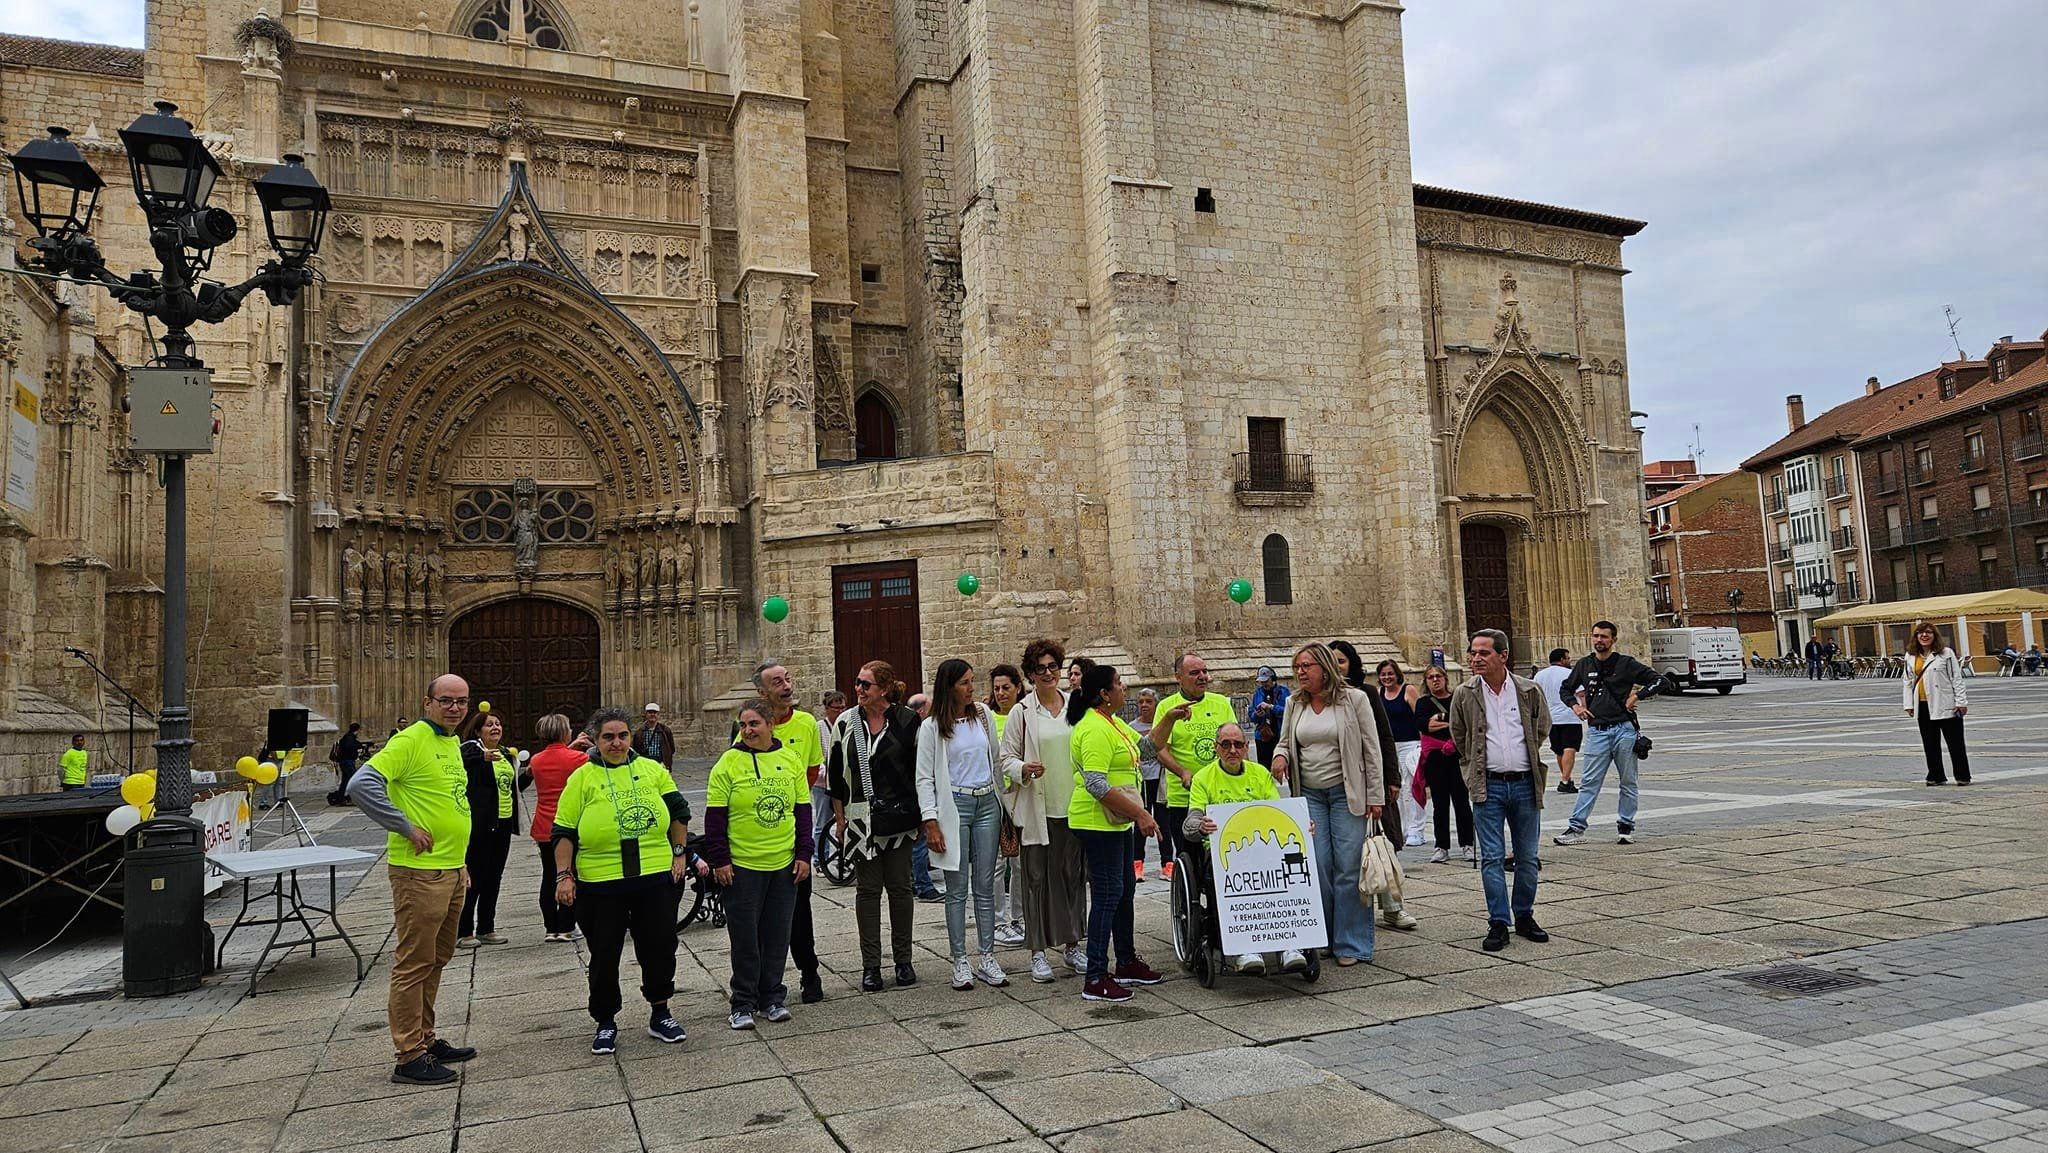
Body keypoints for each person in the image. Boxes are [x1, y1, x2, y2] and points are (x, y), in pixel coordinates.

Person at [348, 674, 478, 1086]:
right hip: (419, 873)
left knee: (437, 959)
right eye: (446, 700)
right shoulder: (411, 739)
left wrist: (461, 864)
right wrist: (404, 826)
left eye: (462, 701)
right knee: (413, 963)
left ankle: (425, 1037)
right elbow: (361, 783)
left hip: (450, 869)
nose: (455, 707)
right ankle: (408, 1055)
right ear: (428, 703)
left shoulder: (450, 742)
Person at [551, 707, 691, 1053]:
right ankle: (605, 1020)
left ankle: (661, 1012)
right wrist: (564, 875)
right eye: (608, 737)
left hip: (653, 876)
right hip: (601, 881)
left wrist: (679, 852)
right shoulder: (581, 778)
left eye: (623, 735)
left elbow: (679, 813)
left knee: (659, 945)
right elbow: (564, 831)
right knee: (604, 952)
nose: (616, 743)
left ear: (632, 737)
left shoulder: (652, 770)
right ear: (595, 741)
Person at [1272, 644, 1386, 966]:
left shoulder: (1355, 700)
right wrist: (1280, 755)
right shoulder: (1294, 703)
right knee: (1318, 866)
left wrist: (1375, 796)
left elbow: (1371, 748)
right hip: (1309, 794)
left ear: (1324, 668)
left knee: (1348, 868)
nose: (1301, 672)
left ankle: (1350, 943)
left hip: (1345, 793)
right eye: (1297, 667)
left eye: (1306, 666)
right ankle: (1322, 935)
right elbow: (1284, 741)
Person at [700, 699, 812, 1030]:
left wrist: (804, 854)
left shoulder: (789, 760)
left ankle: (772, 998)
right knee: (745, 938)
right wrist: (720, 860)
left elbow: (803, 812)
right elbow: (714, 819)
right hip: (743, 866)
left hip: (783, 864)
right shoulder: (727, 764)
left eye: (754, 724)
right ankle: (743, 1003)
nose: (748, 730)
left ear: (770, 725)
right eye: (743, 725)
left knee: (778, 934)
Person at [1065, 664, 1164, 1001]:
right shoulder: (1093, 728)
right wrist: (1141, 813)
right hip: (1097, 821)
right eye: (1119, 684)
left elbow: (1148, 749)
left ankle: (1126, 961)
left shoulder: (1113, 722)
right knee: (1108, 895)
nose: (1125, 689)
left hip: (1117, 820)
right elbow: (1095, 783)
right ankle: (1095, 975)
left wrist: (1170, 719)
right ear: (1104, 694)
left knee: (1124, 892)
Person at [1450, 629, 1552, 953]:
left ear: (1503, 656)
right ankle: (1498, 921)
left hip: (1524, 782)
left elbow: (1542, 726)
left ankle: (1524, 914)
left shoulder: (1528, 690)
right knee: (1492, 857)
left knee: (1527, 856)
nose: (1476, 659)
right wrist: (1471, 769)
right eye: (1473, 653)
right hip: (1488, 785)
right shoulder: (1464, 693)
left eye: (1483, 653)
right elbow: (1458, 733)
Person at [827, 660, 922, 990]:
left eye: (865, 684)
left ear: (884, 688)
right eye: (857, 683)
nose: (858, 689)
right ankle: (871, 966)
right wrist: (839, 820)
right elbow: (837, 777)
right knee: (867, 892)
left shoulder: (908, 721)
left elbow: (918, 772)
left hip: (900, 819)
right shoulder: (845, 723)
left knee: (900, 888)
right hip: (859, 818)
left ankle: (904, 961)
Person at [999, 637, 1090, 983]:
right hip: (1037, 808)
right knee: (1035, 880)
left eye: (1054, 666)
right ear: (1031, 674)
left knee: (1072, 879)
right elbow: (1004, 759)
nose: (1049, 673)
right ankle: (1037, 951)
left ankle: (1072, 945)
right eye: (1041, 669)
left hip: (1075, 808)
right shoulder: (1021, 713)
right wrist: (1023, 768)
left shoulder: (1075, 707)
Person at [1184, 723, 1305, 975]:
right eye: (1225, 744)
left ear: (1246, 747)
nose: (1232, 750)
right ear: (1216, 748)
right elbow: (1191, 821)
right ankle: (1244, 947)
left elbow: (1277, 813)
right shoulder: (1203, 779)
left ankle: (1288, 943)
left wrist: (1302, 826)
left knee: (1287, 870)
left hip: (1261, 849)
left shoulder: (1259, 774)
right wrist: (1200, 825)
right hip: (1221, 853)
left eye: (1238, 744)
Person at [917, 659, 1009, 990]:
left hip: (987, 803)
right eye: (965, 683)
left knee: (985, 885)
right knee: (957, 888)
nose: (971, 688)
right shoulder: (931, 727)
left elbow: (996, 762)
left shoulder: (982, 715)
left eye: (972, 681)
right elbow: (924, 778)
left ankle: (987, 956)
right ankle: (960, 959)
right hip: (954, 805)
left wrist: (1009, 796)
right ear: (949, 686)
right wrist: (931, 820)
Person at [751, 662, 828, 1004]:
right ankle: (761, 980)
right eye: (777, 682)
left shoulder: (806, 723)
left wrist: (792, 801)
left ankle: (809, 973)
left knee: (800, 909)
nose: (786, 686)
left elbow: (813, 769)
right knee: (758, 912)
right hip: (758, 836)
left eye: (788, 679)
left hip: (796, 832)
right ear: (762, 692)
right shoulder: (750, 725)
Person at [1329, 639, 1418, 932]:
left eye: (1341, 661)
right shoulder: (1318, 695)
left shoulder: (1366, 693)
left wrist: (1391, 778)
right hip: (1334, 783)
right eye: (1331, 661)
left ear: (1352, 664)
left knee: (1378, 843)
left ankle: (1393, 907)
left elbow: (1383, 736)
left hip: (1368, 781)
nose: (1337, 666)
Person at [1554, 621, 1661, 846]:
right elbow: (1565, 688)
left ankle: (1626, 826)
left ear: (1613, 640)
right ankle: (1576, 827)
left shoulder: (1626, 664)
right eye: (1595, 636)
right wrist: (1576, 706)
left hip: (1624, 729)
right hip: (1598, 731)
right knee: (1590, 780)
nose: (1599, 640)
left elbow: (1660, 680)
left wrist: (1636, 697)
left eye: (1603, 637)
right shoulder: (1584, 665)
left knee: (1628, 780)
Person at [1151, 652, 1236, 884]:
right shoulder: (1167, 708)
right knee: (1191, 858)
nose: (1202, 677)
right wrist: (1182, 772)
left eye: (1205, 671)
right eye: (1195, 673)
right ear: (1178, 677)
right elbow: (1159, 749)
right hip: (1184, 798)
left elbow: (1234, 742)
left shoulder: (1221, 703)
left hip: (1222, 794)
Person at [457, 710, 520, 947]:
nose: (495, 727)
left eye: (498, 723)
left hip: (503, 822)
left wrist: (529, 775)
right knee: (475, 876)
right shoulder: (472, 750)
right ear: (477, 730)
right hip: (481, 823)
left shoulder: (503, 754)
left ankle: (486, 927)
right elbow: (462, 757)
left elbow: (508, 787)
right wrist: (481, 757)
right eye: (489, 725)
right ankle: (463, 931)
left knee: (494, 876)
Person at [524, 714, 582, 942]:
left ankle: (551, 927)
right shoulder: (578, 759)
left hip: (543, 825)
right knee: (570, 873)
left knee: (549, 876)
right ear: (564, 732)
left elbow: (551, 761)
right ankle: (567, 925)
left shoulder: (536, 760)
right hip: (567, 824)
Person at [1414, 666, 1472, 863]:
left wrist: (1440, 721)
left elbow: (1463, 723)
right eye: (1430, 677)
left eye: (1438, 676)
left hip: (1456, 756)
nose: (1435, 680)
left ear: (1446, 679)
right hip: (1435, 758)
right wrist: (1449, 723)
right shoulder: (1423, 703)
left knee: (1462, 802)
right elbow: (1424, 725)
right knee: (1440, 804)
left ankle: (1468, 844)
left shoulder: (1457, 698)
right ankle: (1441, 846)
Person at [986, 666, 1027, 946]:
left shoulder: (1025, 715)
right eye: (997, 688)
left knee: (1021, 863)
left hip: (1021, 796)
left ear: (1017, 688)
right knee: (997, 863)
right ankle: (998, 921)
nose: (1001, 694)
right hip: (994, 798)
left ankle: (1020, 917)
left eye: (1006, 688)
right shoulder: (986, 719)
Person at [1904, 620, 1970, 785]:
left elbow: (1956, 678)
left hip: (1945, 703)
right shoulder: (1910, 656)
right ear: (1916, 636)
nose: (1924, 636)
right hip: (1923, 705)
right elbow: (1907, 681)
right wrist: (1909, 704)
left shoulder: (1946, 653)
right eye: (1921, 633)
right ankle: (1936, 775)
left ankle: (1962, 775)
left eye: (1928, 633)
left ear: (1935, 636)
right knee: (1930, 743)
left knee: (1955, 743)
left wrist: (1961, 702)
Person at [1377, 660, 1428, 849]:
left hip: (1411, 744)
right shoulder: (1379, 693)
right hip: (1390, 747)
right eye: (1383, 674)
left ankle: (1417, 829)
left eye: (1390, 673)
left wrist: (1423, 745)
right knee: (1394, 789)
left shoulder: (1408, 690)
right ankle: (1402, 829)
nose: (1387, 678)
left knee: (1411, 787)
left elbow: (1419, 717)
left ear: (1396, 673)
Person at [907, 685, 942, 903]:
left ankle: (915, 881)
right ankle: (923, 885)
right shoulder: (921, 733)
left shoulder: (910, 730)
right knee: (920, 841)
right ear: (921, 711)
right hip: (919, 793)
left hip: (915, 792)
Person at [1530, 650, 1580, 794]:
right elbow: (1581, 693)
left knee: (1559, 750)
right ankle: (1564, 781)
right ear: (1562, 659)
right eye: (1568, 658)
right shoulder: (1569, 674)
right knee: (1570, 747)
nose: (1569, 660)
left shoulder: (1539, 675)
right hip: (1570, 715)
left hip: (1551, 717)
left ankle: (1567, 778)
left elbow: (1534, 695)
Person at [1130, 688, 1165, 882]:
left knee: (1163, 822)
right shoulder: (1131, 727)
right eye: (1141, 701)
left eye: (1148, 701)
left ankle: (1167, 864)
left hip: (1159, 778)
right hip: (1141, 779)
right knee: (1140, 822)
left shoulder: (1162, 725)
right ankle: (1137, 864)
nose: (1144, 705)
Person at [1248, 666, 1289, 770]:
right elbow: (1251, 715)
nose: (1264, 684)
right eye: (1261, 682)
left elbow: (1289, 712)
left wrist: (1272, 707)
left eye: (1266, 681)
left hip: (1279, 735)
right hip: (1262, 736)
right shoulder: (1258, 693)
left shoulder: (1283, 692)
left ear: (1273, 679)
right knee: (1264, 769)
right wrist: (1257, 714)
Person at [328, 722, 366, 805]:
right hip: (347, 762)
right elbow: (350, 747)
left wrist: (360, 745)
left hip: (345, 762)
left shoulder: (347, 737)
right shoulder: (349, 738)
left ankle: (341, 798)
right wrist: (359, 746)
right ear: (357, 730)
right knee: (353, 780)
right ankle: (349, 797)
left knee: (345, 780)